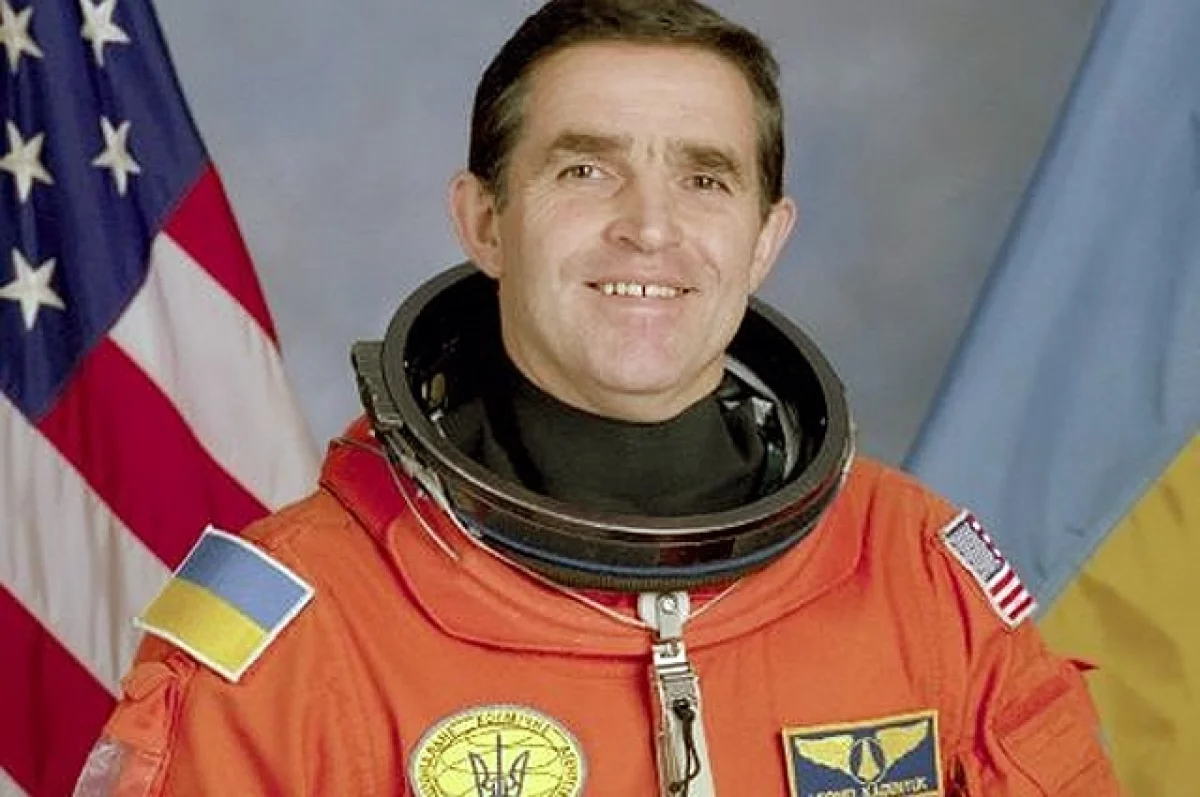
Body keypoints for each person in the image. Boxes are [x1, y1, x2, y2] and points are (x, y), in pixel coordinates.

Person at [75, 0, 1121, 794]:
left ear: (766, 238)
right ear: (485, 222)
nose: (649, 227)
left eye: (705, 179)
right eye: (586, 170)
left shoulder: (920, 578)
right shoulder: (299, 632)